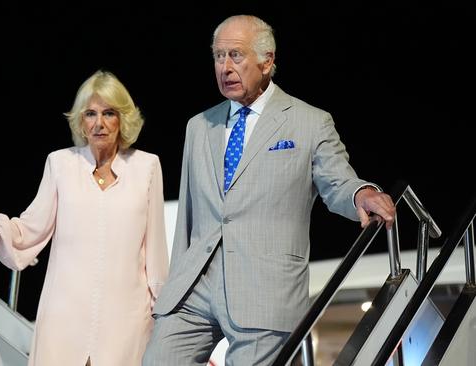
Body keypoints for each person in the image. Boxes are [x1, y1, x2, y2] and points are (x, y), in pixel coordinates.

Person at [142, 15, 396, 366]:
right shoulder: (199, 126)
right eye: (218, 56)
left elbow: (337, 180)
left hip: (265, 287)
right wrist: (175, 283)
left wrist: (361, 193)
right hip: (195, 288)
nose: (225, 67)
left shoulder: (309, 121)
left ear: (267, 60)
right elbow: (188, 214)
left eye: (235, 55)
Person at [0, 70, 169, 366]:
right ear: (80, 122)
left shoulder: (147, 167)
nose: (99, 123)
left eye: (109, 113)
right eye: (90, 114)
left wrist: (165, 319)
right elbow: (28, 232)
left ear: (122, 118)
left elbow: (157, 258)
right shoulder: (60, 164)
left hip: (127, 323)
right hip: (64, 321)